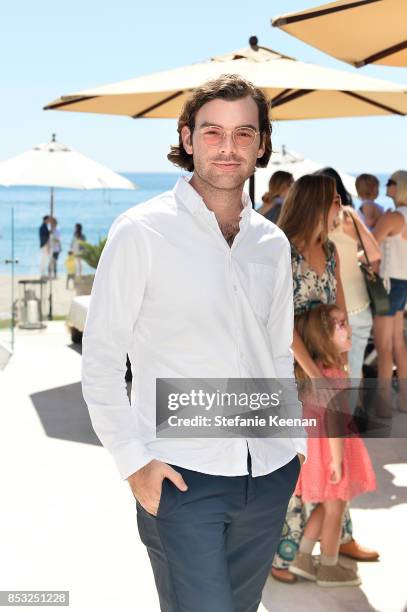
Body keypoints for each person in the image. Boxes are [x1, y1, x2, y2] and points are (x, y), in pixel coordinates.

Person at [82, 75, 306, 612]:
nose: (228, 147)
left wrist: (293, 449)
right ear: (187, 138)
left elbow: (275, 355)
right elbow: (103, 361)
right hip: (181, 476)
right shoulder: (141, 231)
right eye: (212, 133)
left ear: (261, 144)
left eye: (243, 133)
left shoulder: (270, 244)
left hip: (268, 472)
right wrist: (133, 463)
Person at [271, 174, 379, 584]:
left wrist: (344, 361)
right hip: (294, 371)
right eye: (336, 200)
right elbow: (279, 321)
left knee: (337, 458)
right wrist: (315, 375)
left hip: (325, 367)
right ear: (319, 203)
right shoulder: (284, 251)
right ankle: (283, 555)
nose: (342, 207)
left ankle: (342, 535)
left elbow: (339, 304)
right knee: (305, 466)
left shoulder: (330, 249)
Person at [289, 304, 376, 587]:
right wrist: (337, 461)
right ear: (322, 338)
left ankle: (302, 558)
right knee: (335, 509)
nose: (348, 328)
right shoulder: (334, 378)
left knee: (325, 508)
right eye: (340, 325)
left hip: (317, 453)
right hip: (331, 452)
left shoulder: (318, 375)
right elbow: (335, 424)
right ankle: (328, 566)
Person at [329, 206, 381, 380]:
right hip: (358, 304)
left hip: (328, 308)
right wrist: (352, 256)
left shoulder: (312, 218)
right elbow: (373, 253)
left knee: (328, 375)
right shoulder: (348, 218)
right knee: (353, 371)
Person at [372, 170, 407, 414]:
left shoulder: (393, 217)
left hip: (388, 284)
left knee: (383, 346)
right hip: (403, 284)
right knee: (397, 343)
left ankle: (383, 405)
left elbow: (368, 245)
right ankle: (404, 401)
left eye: (391, 182)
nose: (387, 185)